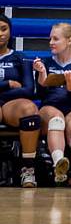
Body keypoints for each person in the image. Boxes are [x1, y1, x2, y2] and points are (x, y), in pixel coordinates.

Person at [31, 23, 71, 188]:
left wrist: (70, 84)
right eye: (50, 38)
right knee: (57, 120)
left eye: (55, 39)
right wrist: (42, 74)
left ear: (69, 41)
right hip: (50, 107)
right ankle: (59, 165)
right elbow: (40, 93)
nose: (51, 42)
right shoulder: (45, 62)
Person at [0, 14, 41, 187]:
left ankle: (28, 169)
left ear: (10, 32)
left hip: (11, 104)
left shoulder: (20, 57)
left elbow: (28, 90)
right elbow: (17, 87)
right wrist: (7, 84)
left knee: (30, 109)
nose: (0, 33)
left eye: (4, 29)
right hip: (10, 95)